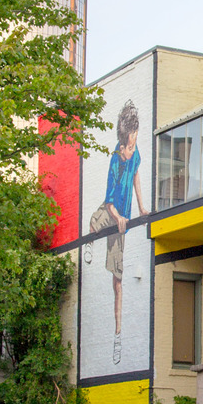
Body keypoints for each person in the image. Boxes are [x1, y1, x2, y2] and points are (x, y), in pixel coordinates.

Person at [84, 100, 148, 365]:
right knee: (93, 222)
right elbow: (109, 201)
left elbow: (136, 176)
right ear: (122, 145)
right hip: (110, 213)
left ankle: (118, 335)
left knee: (118, 281)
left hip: (121, 223)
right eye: (130, 147)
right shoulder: (114, 160)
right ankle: (89, 244)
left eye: (135, 144)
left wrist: (141, 208)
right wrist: (119, 217)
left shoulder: (135, 154)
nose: (133, 149)